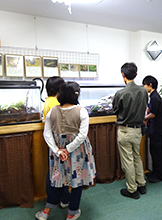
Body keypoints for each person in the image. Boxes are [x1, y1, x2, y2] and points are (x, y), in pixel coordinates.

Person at [35, 82, 96, 220]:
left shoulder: (53, 110)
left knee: (56, 179)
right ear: (76, 94)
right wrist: (68, 150)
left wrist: (58, 151)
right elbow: (82, 135)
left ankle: (46, 212)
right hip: (77, 151)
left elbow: (47, 134)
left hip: (58, 153)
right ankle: (71, 214)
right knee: (77, 182)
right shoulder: (82, 111)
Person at [112, 62, 148, 199]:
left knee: (127, 160)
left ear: (123, 75)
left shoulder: (120, 93)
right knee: (136, 156)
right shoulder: (144, 90)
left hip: (125, 130)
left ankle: (132, 189)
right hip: (138, 130)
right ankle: (141, 184)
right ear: (136, 74)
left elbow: (115, 109)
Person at [43, 76, 70, 209]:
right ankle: (62, 199)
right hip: (58, 142)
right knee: (60, 172)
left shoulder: (48, 100)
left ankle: (59, 199)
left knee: (56, 170)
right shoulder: (55, 102)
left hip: (53, 141)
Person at [142, 75, 162, 183]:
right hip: (155, 127)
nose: (144, 87)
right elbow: (150, 109)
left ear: (150, 85)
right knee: (155, 150)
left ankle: (158, 175)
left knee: (156, 152)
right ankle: (156, 171)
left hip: (156, 128)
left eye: (145, 85)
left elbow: (153, 114)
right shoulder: (153, 96)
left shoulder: (155, 97)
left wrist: (143, 118)